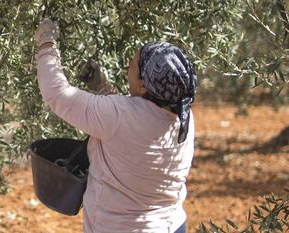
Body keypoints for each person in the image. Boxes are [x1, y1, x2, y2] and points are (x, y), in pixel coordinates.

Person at [34, 19, 198, 233]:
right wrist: (104, 89)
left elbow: (57, 93)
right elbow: (133, 128)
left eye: (132, 64)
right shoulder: (183, 115)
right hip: (171, 225)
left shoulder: (118, 115)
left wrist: (46, 43)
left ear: (142, 84)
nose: (129, 68)